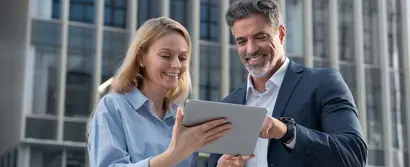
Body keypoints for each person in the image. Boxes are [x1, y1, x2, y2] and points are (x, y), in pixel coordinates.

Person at [208, 0, 368, 167]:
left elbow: (353, 155)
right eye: (241, 41)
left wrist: (286, 131)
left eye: (260, 37)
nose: (250, 49)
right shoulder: (227, 105)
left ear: (282, 34)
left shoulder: (323, 83)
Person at [86, 17, 232, 167]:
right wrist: (172, 156)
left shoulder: (181, 118)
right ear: (141, 57)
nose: (176, 65)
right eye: (165, 55)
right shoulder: (114, 106)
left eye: (182, 58)